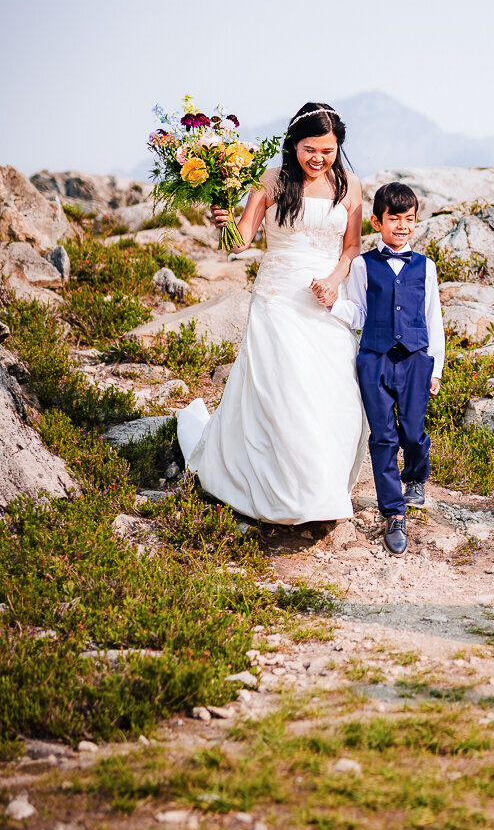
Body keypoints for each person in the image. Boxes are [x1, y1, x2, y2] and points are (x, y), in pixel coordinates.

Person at [176, 102, 366, 525]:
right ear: (293, 145)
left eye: (328, 151)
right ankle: (276, 488)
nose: (318, 159)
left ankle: (320, 490)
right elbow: (240, 241)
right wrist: (224, 221)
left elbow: (352, 247)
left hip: (326, 300)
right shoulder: (271, 181)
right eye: (309, 149)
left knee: (334, 393)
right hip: (277, 299)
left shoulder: (349, 185)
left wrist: (334, 281)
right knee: (284, 391)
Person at [337, 182, 444, 555]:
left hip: (415, 360)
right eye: (394, 218)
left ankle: (415, 477)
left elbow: (433, 318)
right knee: (382, 438)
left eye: (409, 219)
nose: (402, 226)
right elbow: (357, 312)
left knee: (413, 433)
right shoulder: (362, 265)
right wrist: (330, 303)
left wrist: (435, 368)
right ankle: (394, 513)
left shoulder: (425, 267)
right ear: (376, 222)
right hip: (374, 359)